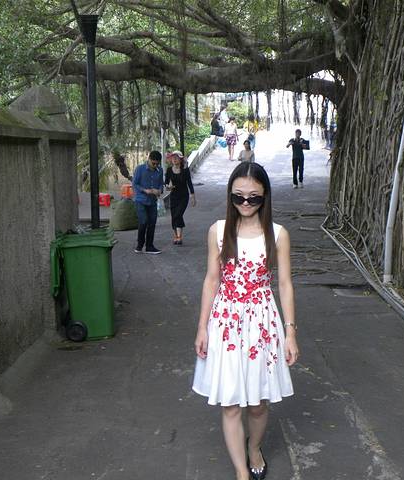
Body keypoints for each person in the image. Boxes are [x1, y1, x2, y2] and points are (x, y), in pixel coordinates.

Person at [193, 162, 298, 480]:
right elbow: (212, 280)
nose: (246, 203)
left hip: (262, 323)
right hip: (225, 323)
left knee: (257, 403)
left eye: (254, 197)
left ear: (265, 197)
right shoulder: (217, 230)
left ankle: (254, 447)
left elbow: (285, 285)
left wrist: (290, 333)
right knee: (230, 403)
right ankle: (241, 471)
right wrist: (202, 327)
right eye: (238, 196)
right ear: (230, 196)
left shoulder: (278, 234)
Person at [132, 150, 164, 254]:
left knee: (152, 223)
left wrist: (159, 191)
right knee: (143, 221)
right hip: (140, 200)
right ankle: (139, 245)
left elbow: (161, 184)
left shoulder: (160, 170)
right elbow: (134, 184)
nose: (155, 166)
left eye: (157, 164)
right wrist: (145, 190)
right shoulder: (140, 169)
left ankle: (149, 246)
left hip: (153, 201)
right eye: (153, 163)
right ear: (149, 159)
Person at [165, 150, 196, 245]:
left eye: (176, 158)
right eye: (173, 158)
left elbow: (189, 183)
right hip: (173, 196)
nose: (174, 159)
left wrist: (193, 196)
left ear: (180, 159)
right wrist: (168, 186)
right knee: (174, 216)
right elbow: (166, 183)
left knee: (178, 214)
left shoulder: (185, 170)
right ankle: (176, 236)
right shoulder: (169, 170)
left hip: (183, 196)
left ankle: (179, 236)